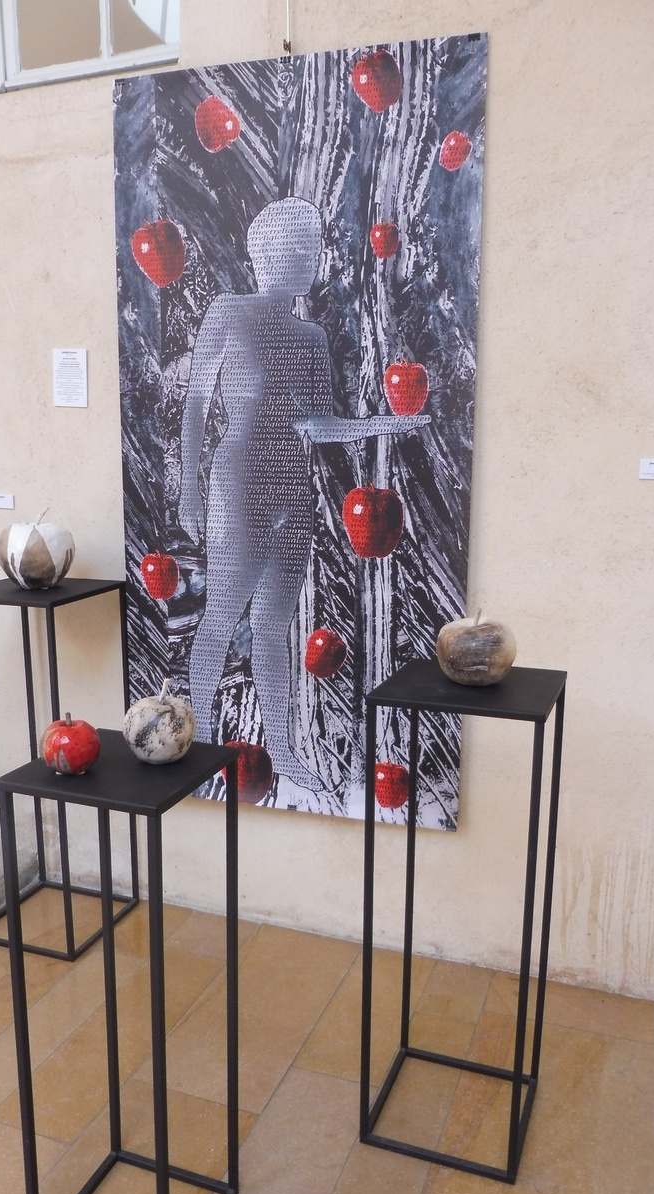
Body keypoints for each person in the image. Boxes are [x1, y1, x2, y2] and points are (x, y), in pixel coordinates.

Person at [178, 196, 427, 792]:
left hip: (293, 485)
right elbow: (196, 402)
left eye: (315, 245)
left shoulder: (311, 337)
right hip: (241, 478)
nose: (314, 256)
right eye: (304, 246)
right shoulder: (229, 312)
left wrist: (383, 425)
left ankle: (283, 751)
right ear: (271, 253)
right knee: (222, 614)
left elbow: (315, 425)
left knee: (273, 626)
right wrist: (188, 488)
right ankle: (200, 737)